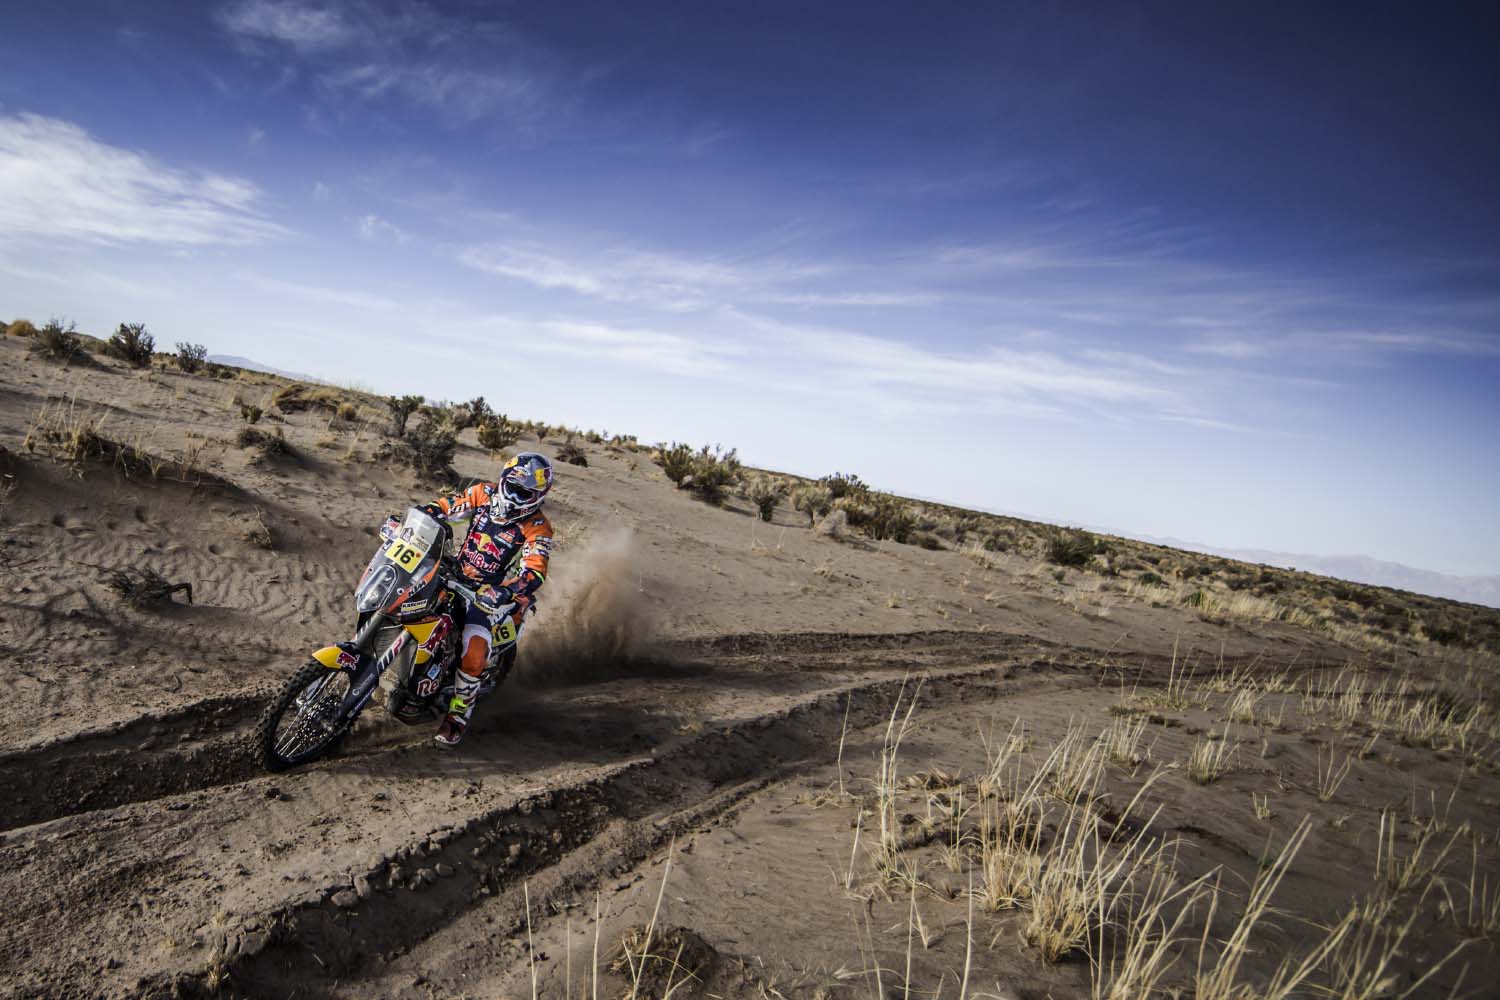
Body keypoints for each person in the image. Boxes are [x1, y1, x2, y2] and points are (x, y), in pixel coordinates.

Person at [393, 452, 555, 747]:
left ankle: (458, 716)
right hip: (453, 572)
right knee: (401, 599)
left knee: (474, 645)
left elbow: (534, 571)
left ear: (538, 497)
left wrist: (506, 590)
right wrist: (417, 518)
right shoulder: (482, 494)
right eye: (512, 487)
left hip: (490, 595)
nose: (514, 496)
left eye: (524, 493)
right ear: (503, 479)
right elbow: (444, 508)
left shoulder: (537, 527)